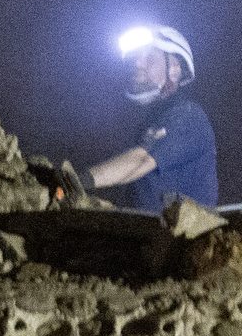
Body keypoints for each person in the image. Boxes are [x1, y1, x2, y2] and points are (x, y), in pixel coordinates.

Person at [85, 23, 217, 213]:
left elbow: (140, 160)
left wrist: (79, 180)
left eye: (149, 58)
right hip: (144, 233)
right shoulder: (145, 123)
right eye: (135, 58)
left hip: (180, 239)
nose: (138, 63)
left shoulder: (188, 117)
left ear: (174, 69)